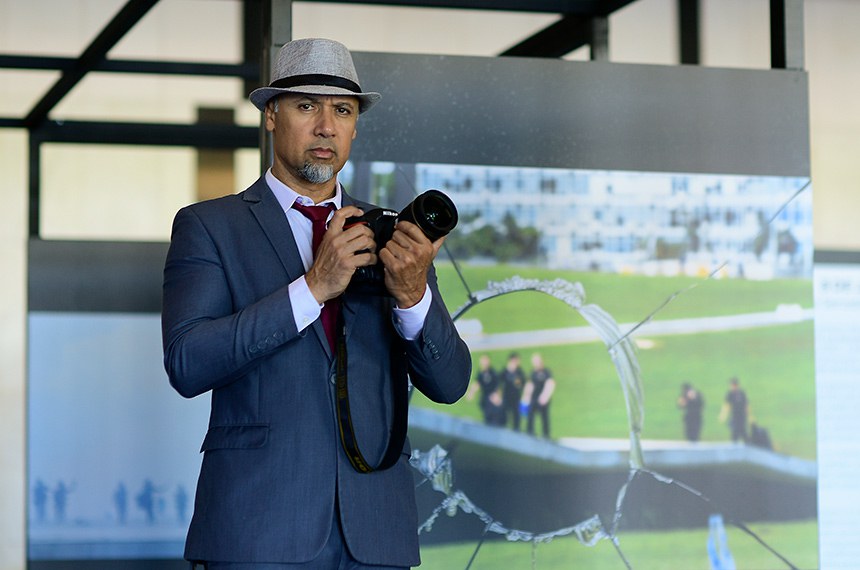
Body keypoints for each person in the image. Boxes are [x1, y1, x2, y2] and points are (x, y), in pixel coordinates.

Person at [161, 38, 471, 569]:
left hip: (377, 532)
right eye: (307, 106)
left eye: (342, 111)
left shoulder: (392, 233)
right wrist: (312, 288)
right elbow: (188, 363)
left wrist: (412, 295)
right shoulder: (210, 226)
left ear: (355, 127)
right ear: (270, 116)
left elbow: (451, 383)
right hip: (258, 530)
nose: (326, 126)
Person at [522, 353, 556, 438]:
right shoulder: (532, 373)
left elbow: (550, 383)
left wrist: (545, 396)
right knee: (530, 415)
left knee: (545, 417)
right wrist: (526, 397)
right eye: (534, 362)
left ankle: (546, 435)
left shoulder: (546, 372)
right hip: (534, 398)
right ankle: (530, 433)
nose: (536, 363)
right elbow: (529, 385)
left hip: (544, 398)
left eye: (537, 361)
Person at [466, 354, 504, 426]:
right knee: (487, 418)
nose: (483, 363)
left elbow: (497, 386)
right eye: (482, 361)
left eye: (485, 361)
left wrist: (497, 397)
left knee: (495, 419)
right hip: (485, 399)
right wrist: (471, 393)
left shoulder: (493, 373)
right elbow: (477, 384)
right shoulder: (481, 373)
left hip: (493, 399)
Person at [500, 352, 526, 431]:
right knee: (504, 415)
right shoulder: (505, 371)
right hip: (506, 397)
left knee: (516, 417)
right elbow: (499, 381)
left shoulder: (519, 372)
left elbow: (522, 384)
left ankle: (516, 430)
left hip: (516, 398)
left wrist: (518, 383)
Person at [719, 376, 749, 443]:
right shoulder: (730, 394)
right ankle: (735, 444)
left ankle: (747, 444)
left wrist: (748, 414)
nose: (731, 387)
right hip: (735, 416)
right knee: (735, 432)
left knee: (742, 431)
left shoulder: (742, 393)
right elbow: (726, 405)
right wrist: (723, 415)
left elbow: (746, 404)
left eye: (732, 385)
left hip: (742, 416)